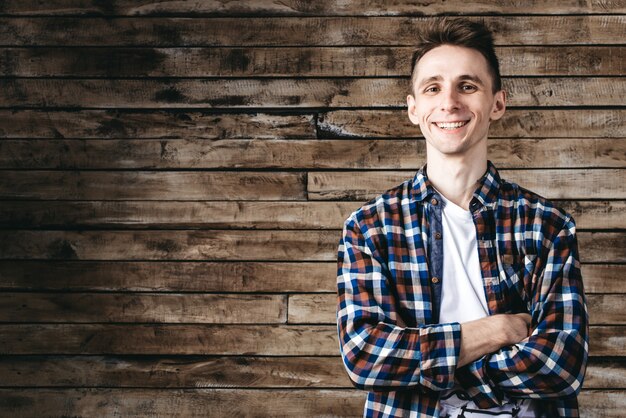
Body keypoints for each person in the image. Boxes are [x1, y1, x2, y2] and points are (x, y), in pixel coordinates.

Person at [336, 18, 588, 417]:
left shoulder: (547, 225)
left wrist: (430, 361)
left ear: (497, 104)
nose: (449, 102)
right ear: (413, 108)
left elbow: (562, 363)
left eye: (467, 86)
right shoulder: (370, 228)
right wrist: (498, 330)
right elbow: (365, 356)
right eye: (433, 88)